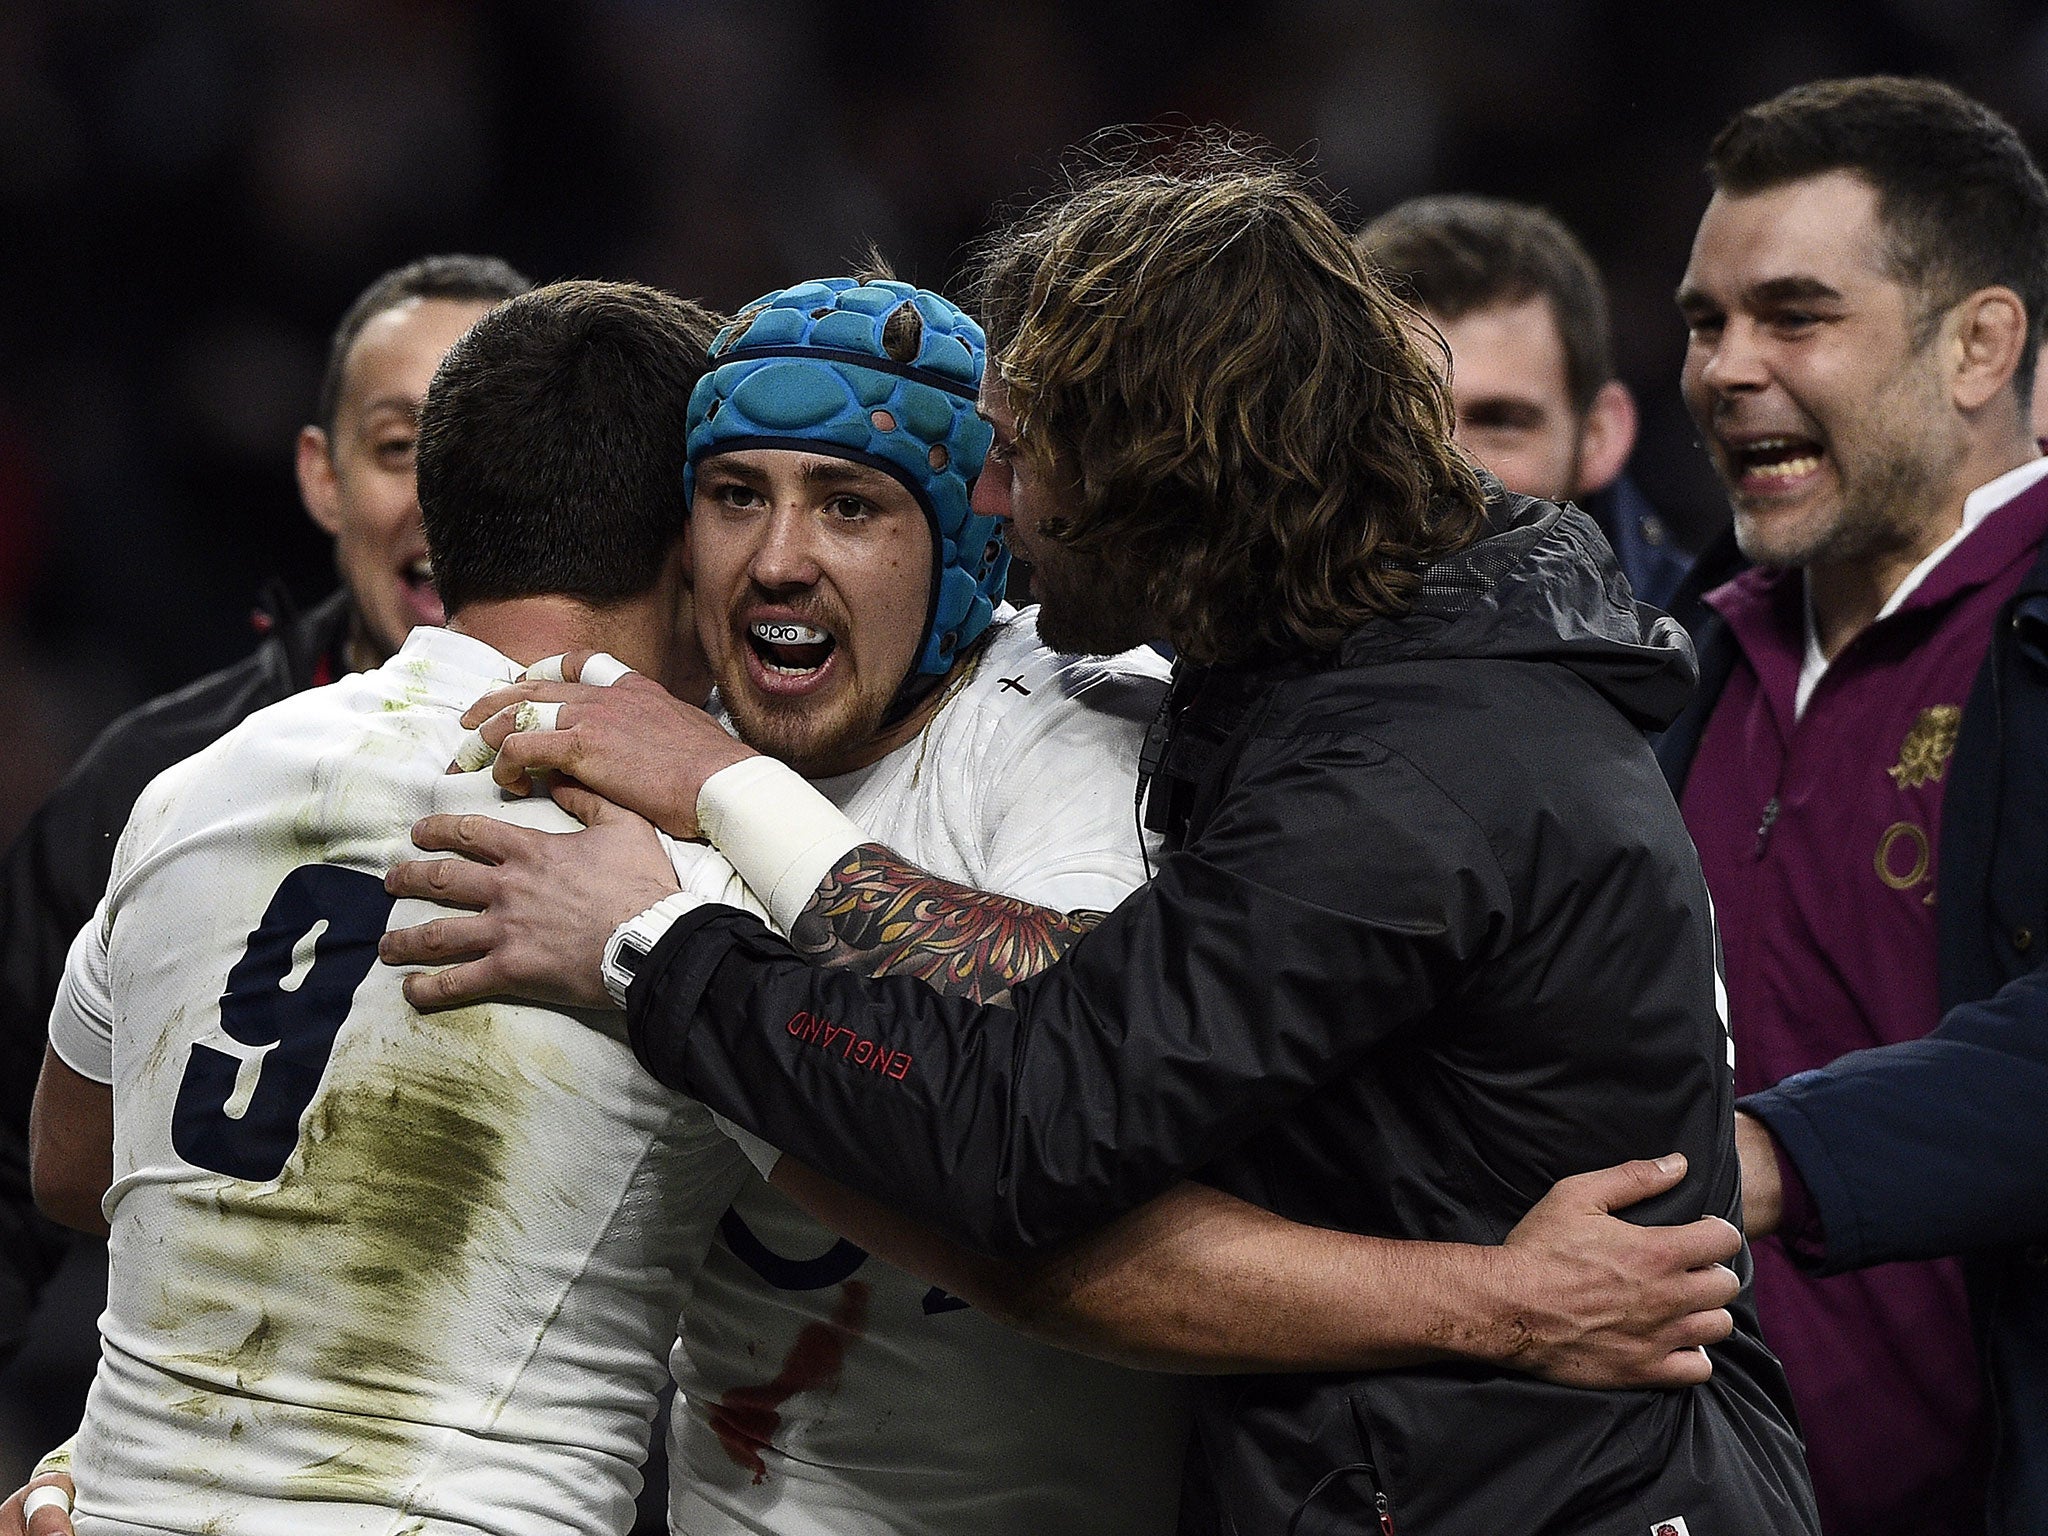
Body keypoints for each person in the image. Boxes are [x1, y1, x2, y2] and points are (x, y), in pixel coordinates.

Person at [15, 273, 1746, 1536]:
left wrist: (1489, 1303)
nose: (780, 557)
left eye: (850, 503)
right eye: (733, 497)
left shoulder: (1086, 755)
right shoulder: (603, 782)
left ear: (969, 539)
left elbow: (1044, 1171)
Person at [382, 138, 1817, 1534]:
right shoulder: (1350, 686)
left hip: (1541, 1489)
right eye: (737, 494)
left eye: (1019, 455)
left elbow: (1029, 1133)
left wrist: (658, 938)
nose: (998, 508)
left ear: (1164, 469)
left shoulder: (1396, 774)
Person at [0, 254, 530, 1361]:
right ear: (322, 475)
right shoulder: (157, 785)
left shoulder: (655, 783)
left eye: (493, 453)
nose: (445, 493)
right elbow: (13, 1168)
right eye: (400, 449)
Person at [1654, 76, 2048, 1536]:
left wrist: (1772, 1157)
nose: (1726, 370)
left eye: (1794, 315)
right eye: (1705, 322)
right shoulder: (1672, 661)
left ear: (1978, 344)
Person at [1357, 193, 1692, 607]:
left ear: (1598, 437)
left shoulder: (1711, 657)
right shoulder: (1261, 642)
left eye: (1499, 422)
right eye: (1400, 423)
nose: (1446, 470)